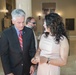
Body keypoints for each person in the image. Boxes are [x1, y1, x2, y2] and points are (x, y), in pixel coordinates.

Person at [0, 9, 36, 75]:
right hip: (13, 70)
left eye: (23, 22)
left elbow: (32, 50)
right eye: (19, 22)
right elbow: (4, 55)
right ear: (13, 21)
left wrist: (32, 65)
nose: (22, 25)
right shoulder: (6, 34)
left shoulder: (29, 32)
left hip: (27, 69)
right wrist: (8, 72)